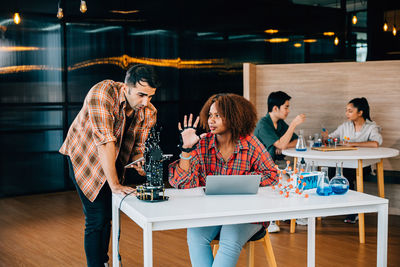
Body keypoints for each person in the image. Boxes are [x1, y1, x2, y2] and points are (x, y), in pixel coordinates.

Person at [59, 64, 160, 267]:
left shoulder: (148, 111)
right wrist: (115, 185)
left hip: (113, 160)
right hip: (84, 158)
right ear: (126, 87)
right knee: (97, 218)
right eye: (141, 95)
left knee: (108, 215)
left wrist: (142, 170)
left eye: (150, 96)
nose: (145, 102)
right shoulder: (102, 93)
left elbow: (138, 148)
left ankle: (104, 261)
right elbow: (105, 142)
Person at [169, 93, 278, 267]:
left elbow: (272, 174)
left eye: (217, 116)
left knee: (230, 236)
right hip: (213, 212)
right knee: (195, 235)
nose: (211, 120)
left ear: (234, 117)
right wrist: (186, 149)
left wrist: (242, 180)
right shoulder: (203, 144)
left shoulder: (250, 143)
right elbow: (183, 183)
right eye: (210, 115)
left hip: (247, 214)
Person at [322, 97, 382, 223]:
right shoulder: (345, 126)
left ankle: (353, 210)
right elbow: (333, 138)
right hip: (345, 164)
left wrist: (353, 144)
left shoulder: (371, 127)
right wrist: (327, 138)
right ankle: (337, 206)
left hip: (363, 166)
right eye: (346, 111)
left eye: (350, 111)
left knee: (345, 174)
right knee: (331, 170)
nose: (346, 114)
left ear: (360, 112)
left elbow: (376, 143)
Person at [254, 91, 306, 231]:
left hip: (275, 165)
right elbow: (281, 144)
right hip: (259, 167)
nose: (288, 111)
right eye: (286, 107)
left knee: (295, 179)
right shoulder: (263, 124)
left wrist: (282, 145)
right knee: (284, 180)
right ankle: (269, 220)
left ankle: (288, 215)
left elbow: (297, 141)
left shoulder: (280, 123)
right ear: (275, 108)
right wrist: (293, 125)